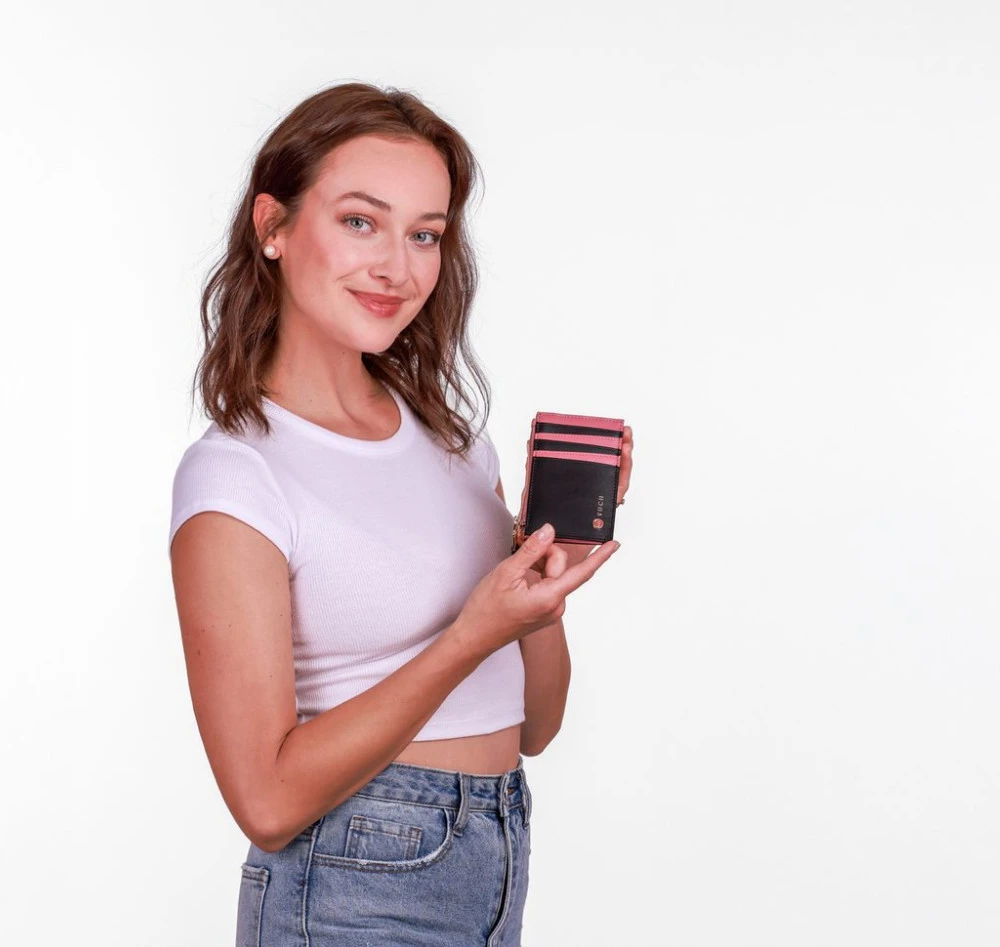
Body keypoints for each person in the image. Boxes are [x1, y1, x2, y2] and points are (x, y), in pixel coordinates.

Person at [166, 82, 633, 946]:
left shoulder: (456, 447)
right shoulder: (238, 475)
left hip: (494, 851)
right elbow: (266, 802)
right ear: (273, 226)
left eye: (424, 234)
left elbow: (536, 726)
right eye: (360, 222)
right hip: (353, 882)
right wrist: (468, 635)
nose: (397, 267)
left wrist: (542, 591)